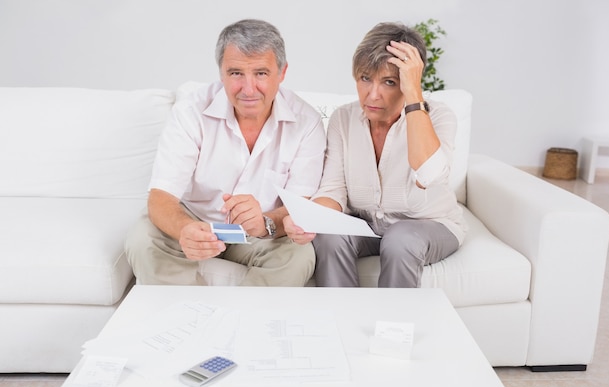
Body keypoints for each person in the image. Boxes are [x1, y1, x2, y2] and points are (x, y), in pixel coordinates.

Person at [125, 19, 326, 286]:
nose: (248, 89)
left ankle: (245, 322)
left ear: (282, 72)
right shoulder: (190, 111)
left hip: (261, 232)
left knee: (299, 256)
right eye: (235, 73)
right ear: (221, 72)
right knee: (142, 239)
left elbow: (299, 206)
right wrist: (185, 230)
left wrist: (265, 223)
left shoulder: (307, 121)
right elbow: (161, 197)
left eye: (261, 74)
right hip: (197, 219)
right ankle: (182, 318)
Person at [284, 22, 466, 288]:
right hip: (366, 226)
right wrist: (307, 219)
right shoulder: (343, 119)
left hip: (430, 225)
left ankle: (393, 327)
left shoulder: (437, 116)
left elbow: (429, 174)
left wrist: (414, 94)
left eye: (389, 82)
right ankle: (341, 320)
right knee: (329, 236)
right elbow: (333, 190)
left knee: (399, 239)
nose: (372, 94)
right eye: (365, 78)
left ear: (408, 81)